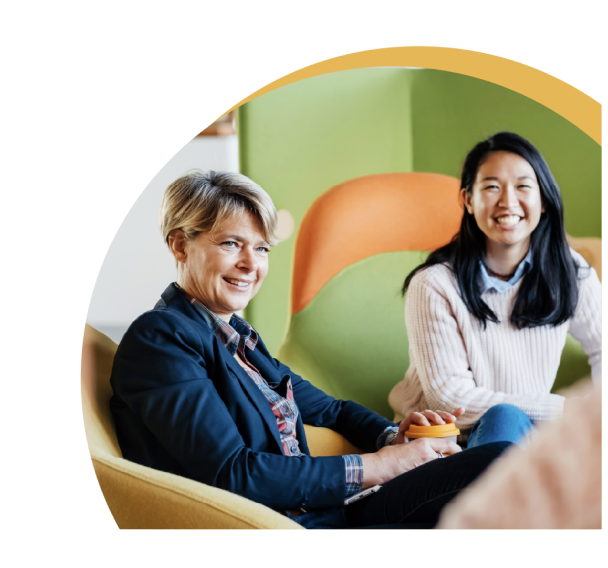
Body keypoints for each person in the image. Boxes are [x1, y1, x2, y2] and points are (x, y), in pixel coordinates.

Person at [110, 170, 511, 530]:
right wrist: (384, 466)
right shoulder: (161, 339)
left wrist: (394, 438)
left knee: (503, 458)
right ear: (180, 246)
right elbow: (233, 474)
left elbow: (331, 409)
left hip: (332, 510)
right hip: (283, 521)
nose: (252, 264)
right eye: (233, 243)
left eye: (262, 248)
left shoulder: (237, 336)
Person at [389, 132, 602, 447]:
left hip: (528, 438)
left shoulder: (570, 271)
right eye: (491, 186)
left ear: (543, 200)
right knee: (506, 418)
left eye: (523, 186)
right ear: (468, 201)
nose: (508, 201)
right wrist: (571, 409)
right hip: (441, 447)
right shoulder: (434, 285)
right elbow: (452, 401)